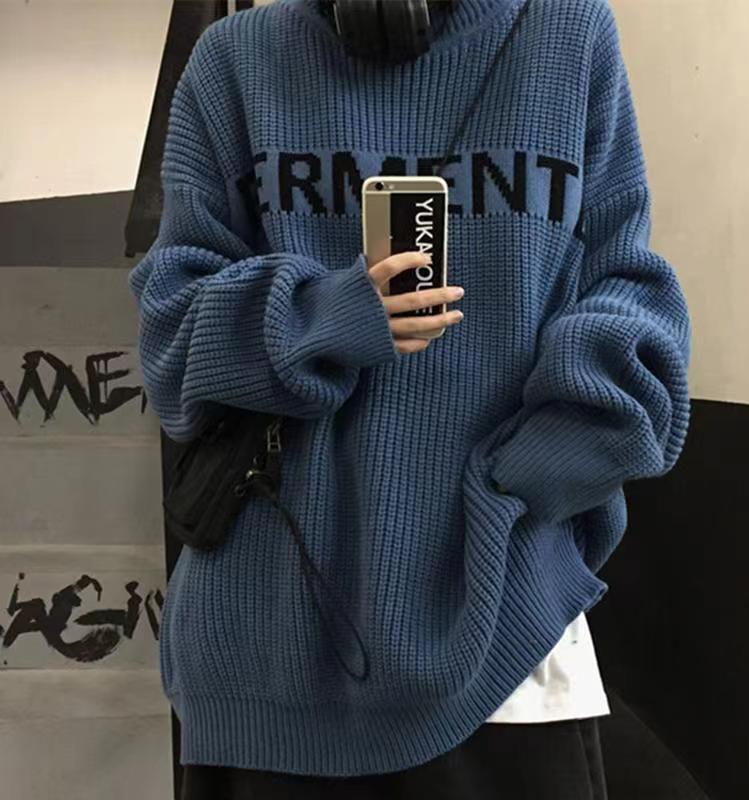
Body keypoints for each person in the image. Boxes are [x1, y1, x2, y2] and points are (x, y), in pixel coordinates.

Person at [128, 0, 692, 797]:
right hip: (269, 661)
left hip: (508, 656)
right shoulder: (236, 60)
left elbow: (631, 310)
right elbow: (171, 340)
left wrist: (508, 491)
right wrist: (323, 315)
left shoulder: (564, 34)